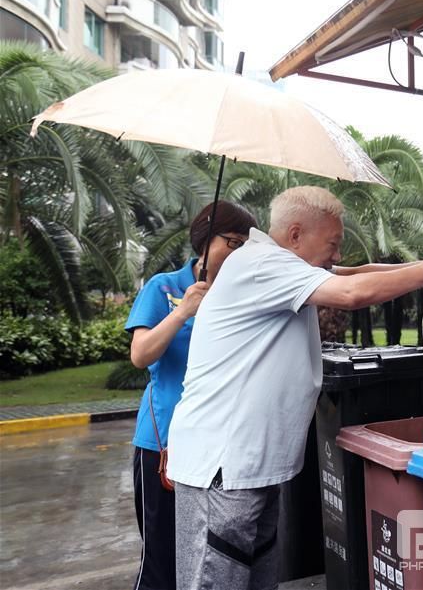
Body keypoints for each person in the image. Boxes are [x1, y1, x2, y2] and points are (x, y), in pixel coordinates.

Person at [167, 186, 423, 590]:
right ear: (295, 236)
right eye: (333, 244)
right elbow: (353, 294)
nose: (338, 255)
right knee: (216, 580)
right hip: (222, 466)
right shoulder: (260, 265)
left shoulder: (281, 266)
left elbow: (355, 275)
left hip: (251, 466)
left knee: (253, 577)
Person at [125, 200, 258, 590]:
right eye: (232, 242)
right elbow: (141, 354)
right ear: (204, 238)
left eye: (245, 246)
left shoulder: (239, 295)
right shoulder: (163, 287)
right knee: (162, 560)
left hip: (220, 449)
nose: (238, 253)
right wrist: (183, 311)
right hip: (164, 446)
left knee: (206, 559)